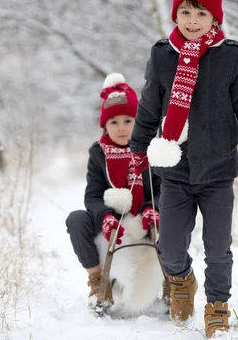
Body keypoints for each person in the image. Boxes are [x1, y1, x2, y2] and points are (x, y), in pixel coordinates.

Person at [129, 0, 238, 338]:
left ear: (215, 19)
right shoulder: (162, 56)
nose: (192, 20)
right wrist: (137, 151)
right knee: (170, 248)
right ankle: (181, 281)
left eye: (201, 12)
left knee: (218, 249)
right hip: (174, 171)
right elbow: (148, 108)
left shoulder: (230, 58)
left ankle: (217, 306)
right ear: (176, 14)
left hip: (218, 171)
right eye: (186, 11)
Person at [66, 73, 162, 311]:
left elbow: (164, 189)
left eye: (128, 121)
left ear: (138, 121)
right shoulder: (99, 153)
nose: (121, 128)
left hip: (144, 216)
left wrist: (153, 208)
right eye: (114, 122)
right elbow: (93, 195)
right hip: (113, 220)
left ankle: (174, 282)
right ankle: (99, 283)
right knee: (76, 219)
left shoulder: (153, 150)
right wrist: (105, 216)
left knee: (178, 214)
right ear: (105, 126)